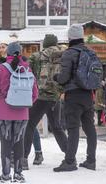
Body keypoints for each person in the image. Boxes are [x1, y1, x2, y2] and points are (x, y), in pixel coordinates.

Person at [0, 42, 38, 183]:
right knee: (19, 142)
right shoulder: (27, 69)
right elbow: (35, 93)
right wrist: (26, 104)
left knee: (6, 143)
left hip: (3, 112)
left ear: (7, 53)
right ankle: (18, 174)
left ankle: (5, 175)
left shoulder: (0, 69)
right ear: (20, 53)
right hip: (22, 113)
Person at [53, 24, 97, 172]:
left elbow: (64, 77)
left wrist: (56, 77)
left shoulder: (69, 53)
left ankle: (70, 161)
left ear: (70, 37)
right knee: (89, 128)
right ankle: (91, 160)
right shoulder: (91, 52)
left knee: (73, 128)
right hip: (88, 95)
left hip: (73, 95)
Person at [23, 34, 68, 169]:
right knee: (57, 128)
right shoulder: (63, 56)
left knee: (30, 125)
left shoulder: (37, 56)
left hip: (40, 97)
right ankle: (69, 156)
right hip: (56, 97)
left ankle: (24, 159)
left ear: (45, 44)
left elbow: (27, 72)